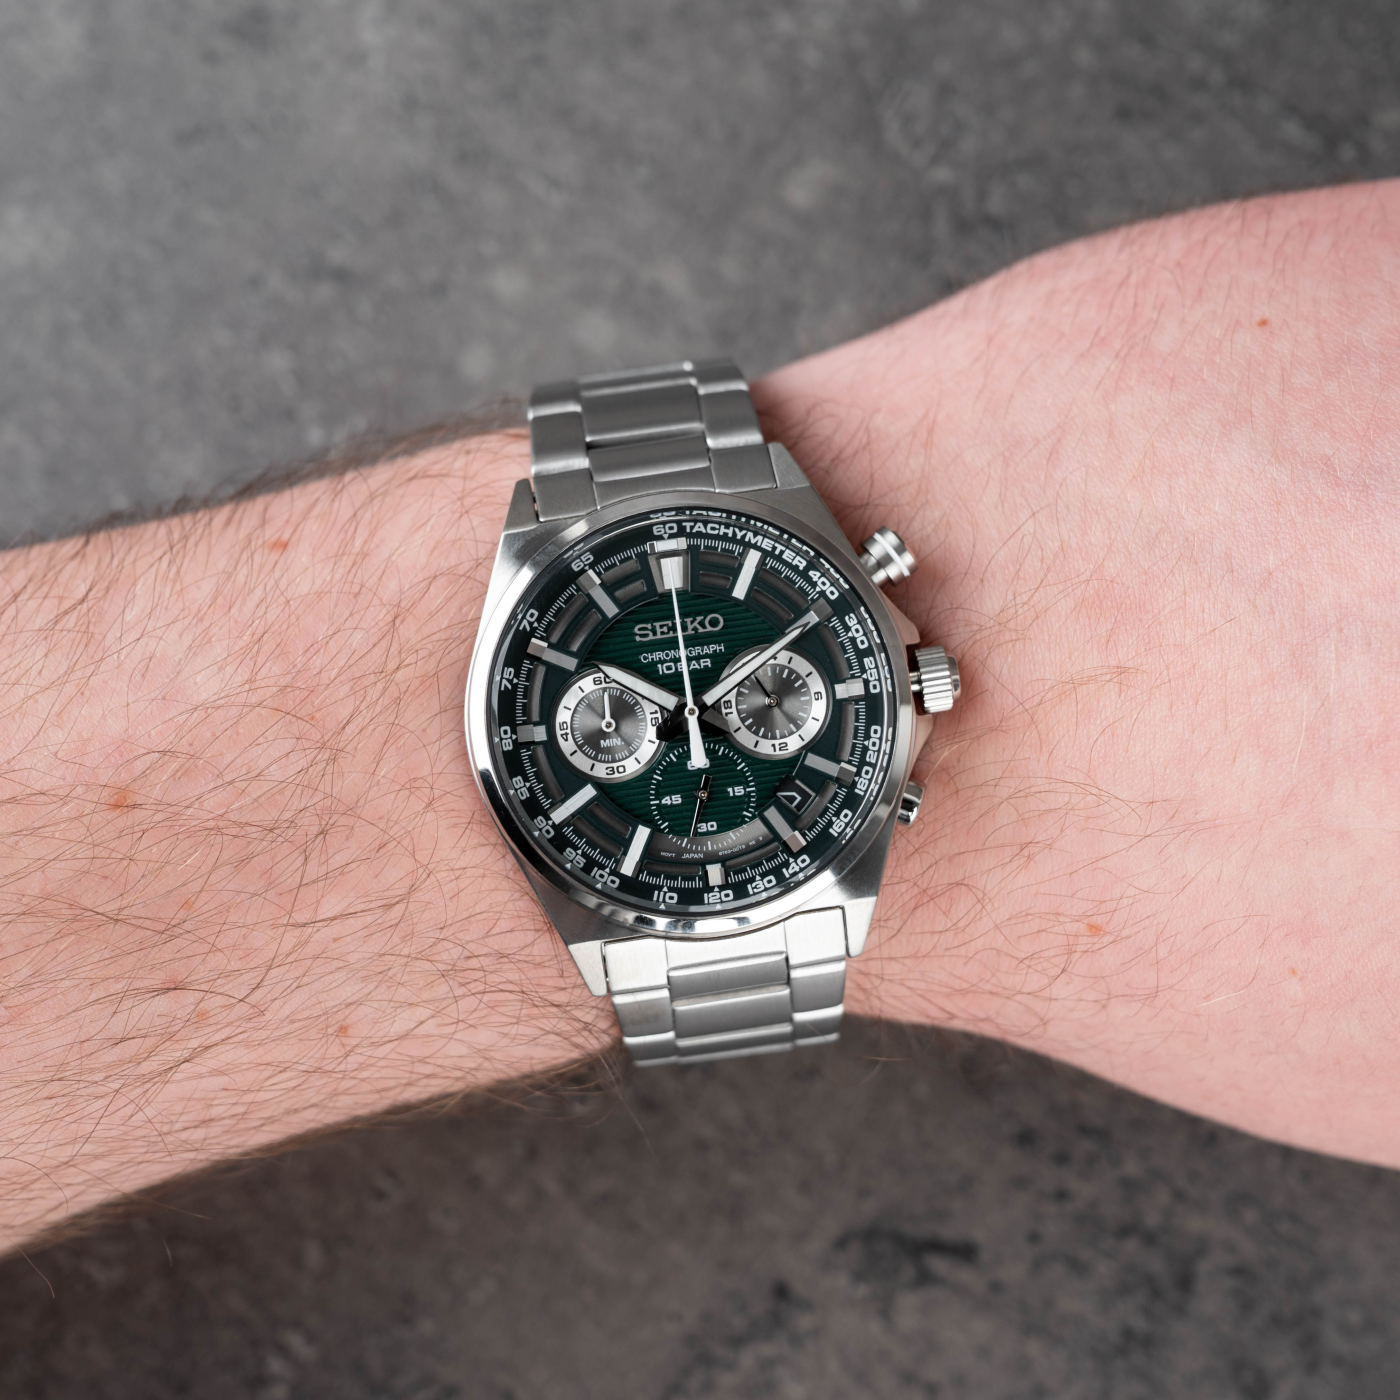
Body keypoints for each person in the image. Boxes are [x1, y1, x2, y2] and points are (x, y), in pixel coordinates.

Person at [2, 181, 1396, 1253]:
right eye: (632, 726)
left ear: (909, 677)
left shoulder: (832, 696)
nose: (676, 725)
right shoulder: (716, 737)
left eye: (758, 694)